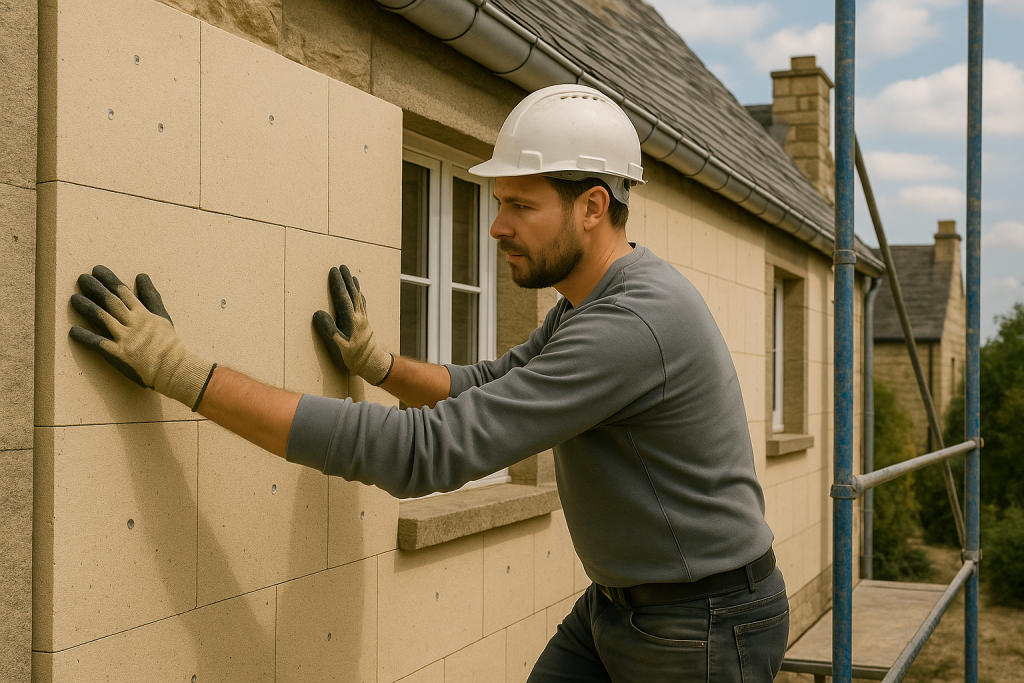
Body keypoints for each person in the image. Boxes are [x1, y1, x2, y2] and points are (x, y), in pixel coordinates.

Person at [69, 83, 788, 682]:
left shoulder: (634, 323)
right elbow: (494, 379)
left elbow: (427, 453)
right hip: (623, 604)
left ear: (593, 206)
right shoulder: (588, 300)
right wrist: (380, 364)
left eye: (520, 205)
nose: (497, 226)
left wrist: (182, 373)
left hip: (701, 624)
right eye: (497, 201)